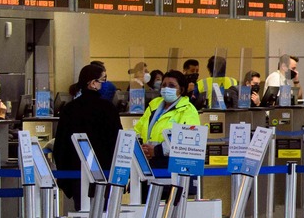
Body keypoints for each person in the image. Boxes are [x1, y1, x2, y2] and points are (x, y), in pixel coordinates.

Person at [50, 63, 122, 210]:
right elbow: (117, 141)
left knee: (81, 211)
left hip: (77, 174)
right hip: (104, 172)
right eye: (103, 79)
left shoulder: (70, 109)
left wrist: (65, 178)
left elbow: (61, 144)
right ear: (93, 83)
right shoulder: (108, 109)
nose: (105, 83)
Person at [134, 70, 201, 178]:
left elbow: (186, 140)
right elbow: (138, 129)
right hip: (147, 164)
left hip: (171, 167)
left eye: (172, 86)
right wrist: (140, 148)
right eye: (164, 85)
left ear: (181, 89)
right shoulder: (154, 106)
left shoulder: (188, 110)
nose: (166, 88)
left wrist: (156, 151)